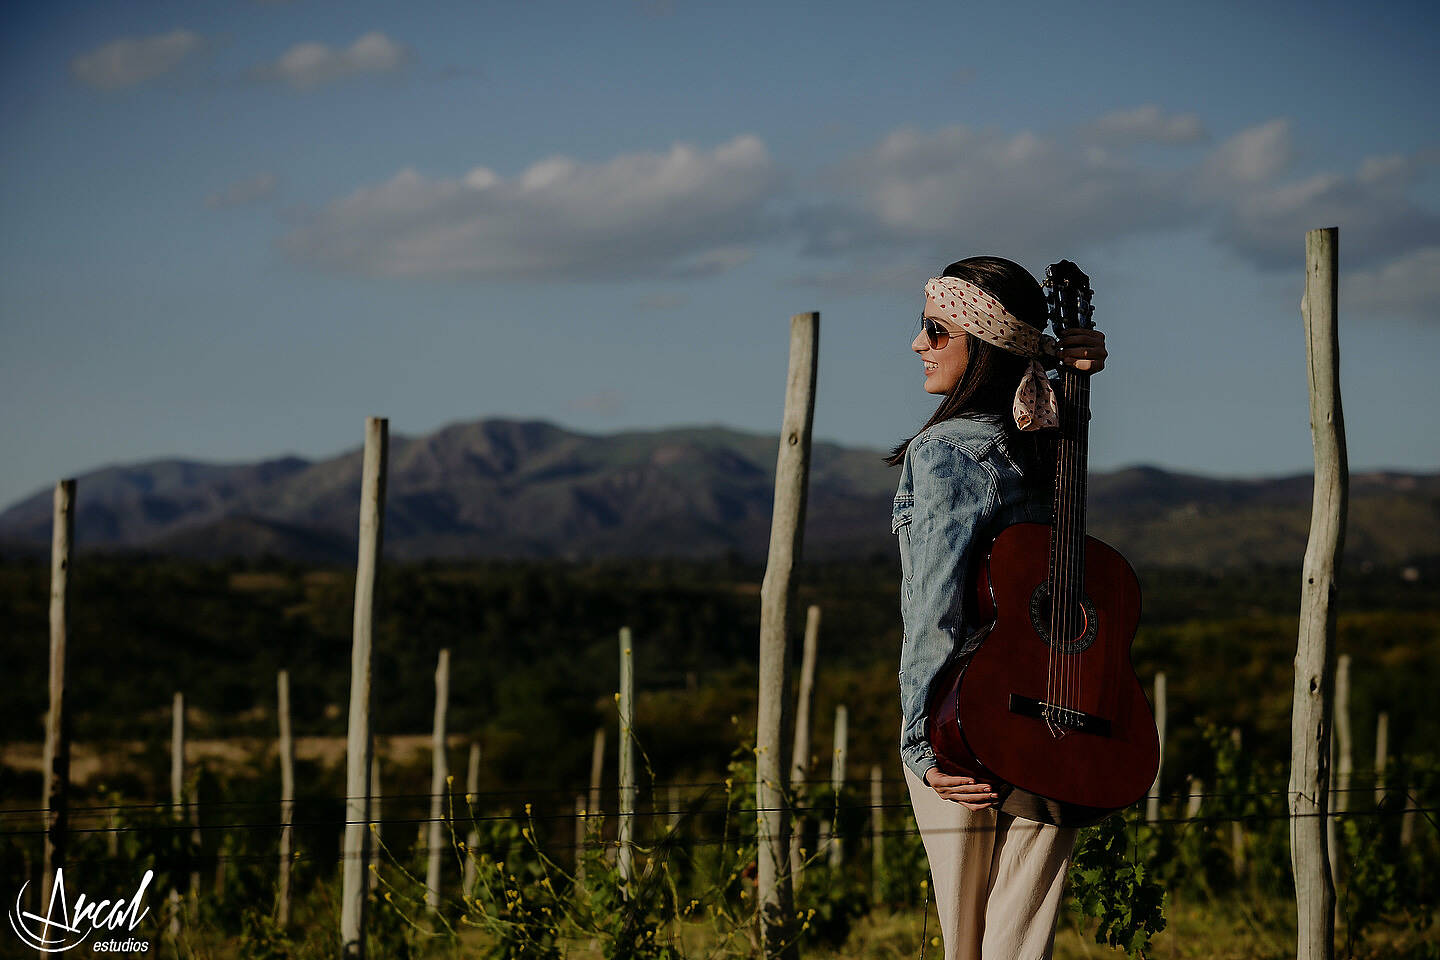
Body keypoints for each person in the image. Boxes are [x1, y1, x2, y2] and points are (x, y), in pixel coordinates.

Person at [887, 256, 1107, 960]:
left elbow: (936, 609)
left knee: (968, 943)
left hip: (966, 716)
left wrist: (919, 743)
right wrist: (1079, 379)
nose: (918, 344)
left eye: (934, 330)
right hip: (1057, 710)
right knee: (1021, 940)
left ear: (981, 344)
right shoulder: (1047, 443)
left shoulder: (947, 450)